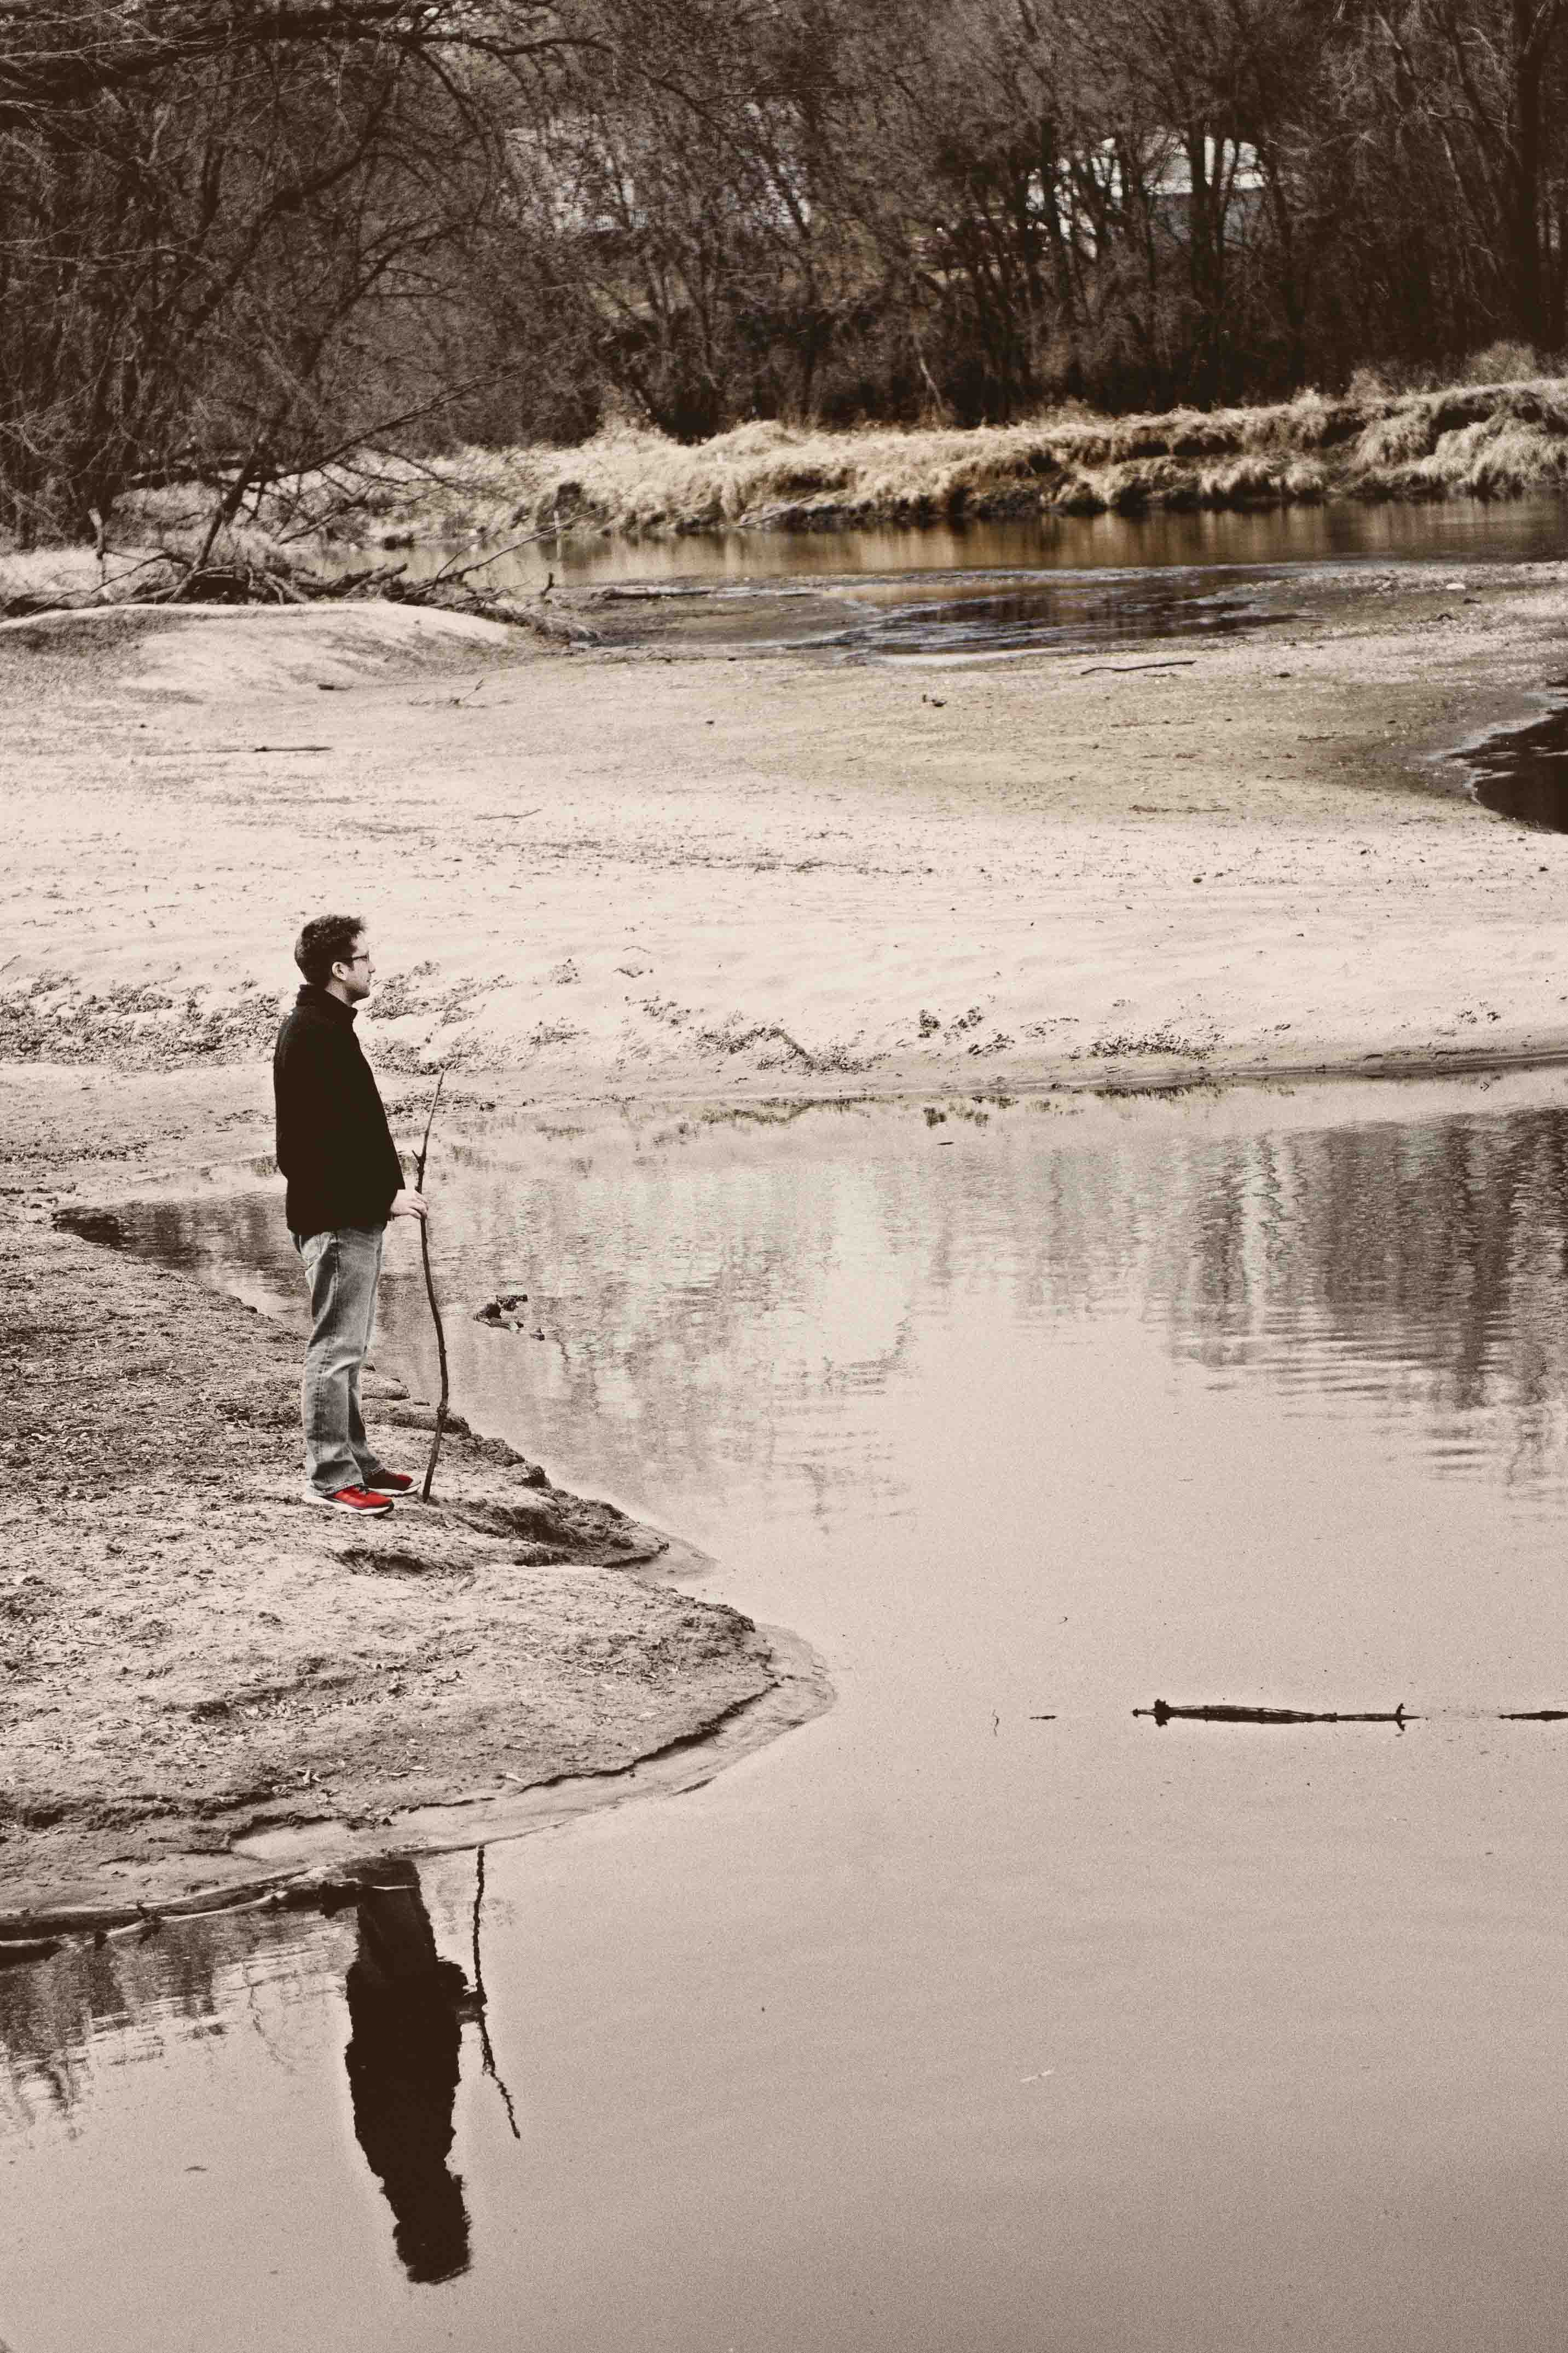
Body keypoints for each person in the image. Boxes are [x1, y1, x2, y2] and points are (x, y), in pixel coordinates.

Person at [273, 913, 426, 1515]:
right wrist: (381, 1196)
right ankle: (331, 1477)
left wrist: (384, 1191)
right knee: (334, 1348)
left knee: (350, 1346)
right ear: (339, 968)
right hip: (335, 1219)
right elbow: (307, 1152)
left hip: (348, 1215)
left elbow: (348, 1130)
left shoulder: (328, 1026)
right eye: (365, 957)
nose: (373, 966)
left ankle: (356, 1460)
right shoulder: (313, 1033)